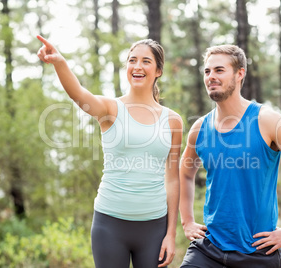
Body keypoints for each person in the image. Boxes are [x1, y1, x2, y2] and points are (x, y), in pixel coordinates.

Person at [37, 35, 182, 268]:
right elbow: (78, 95)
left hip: (154, 226)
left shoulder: (173, 121)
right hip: (110, 224)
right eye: (132, 60)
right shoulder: (110, 108)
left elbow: (173, 179)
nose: (137, 66)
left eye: (146, 61)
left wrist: (171, 234)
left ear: (158, 71)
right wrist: (60, 63)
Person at [179, 44, 281, 268]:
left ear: (240, 74)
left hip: (258, 253)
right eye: (207, 71)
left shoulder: (268, 121)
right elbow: (185, 174)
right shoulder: (199, 128)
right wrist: (187, 221)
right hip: (209, 250)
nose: (211, 77)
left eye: (219, 70)